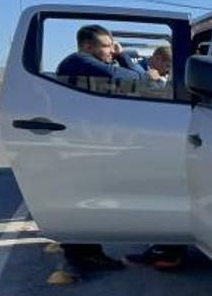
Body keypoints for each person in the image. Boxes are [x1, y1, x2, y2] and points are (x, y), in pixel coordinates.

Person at [52, 24, 163, 271]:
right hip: (78, 142)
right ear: (88, 46)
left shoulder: (86, 62)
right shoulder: (79, 61)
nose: (111, 51)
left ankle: (83, 252)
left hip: (84, 140)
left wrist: (127, 62)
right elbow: (128, 79)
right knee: (83, 198)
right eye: (107, 46)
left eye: (113, 46)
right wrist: (139, 69)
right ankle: (83, 255)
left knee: (85, 197)